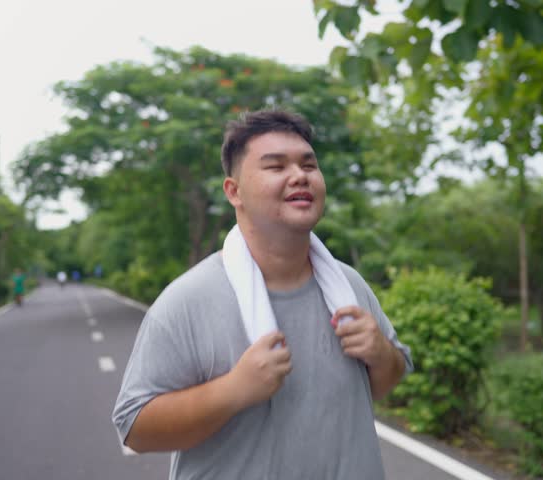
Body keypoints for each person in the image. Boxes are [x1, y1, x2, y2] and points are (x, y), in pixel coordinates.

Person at [112, 110, 413, 479]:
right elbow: (135, 428)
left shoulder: (348, 286)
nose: (299, 176)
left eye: (308, 164)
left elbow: (384, 381)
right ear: (233, 192)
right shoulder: (188, 300)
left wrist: (383, 354)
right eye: (276, 166)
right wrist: (233, 391)